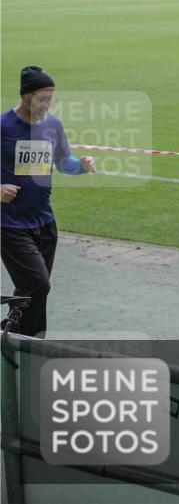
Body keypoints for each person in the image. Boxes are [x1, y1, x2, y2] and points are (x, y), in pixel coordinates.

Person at [1, 66, 95, 337]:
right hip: (9, 224)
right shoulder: (3, 125)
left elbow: (64, 162)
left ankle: (16, 335)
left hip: (45, 221)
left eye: (51, 98)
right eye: (43, 98)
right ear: (25, 96)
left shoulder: (53, 125)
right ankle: (32, 340)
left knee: (29, 291)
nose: (47, 104)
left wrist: (83, 164)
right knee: (38, 284)